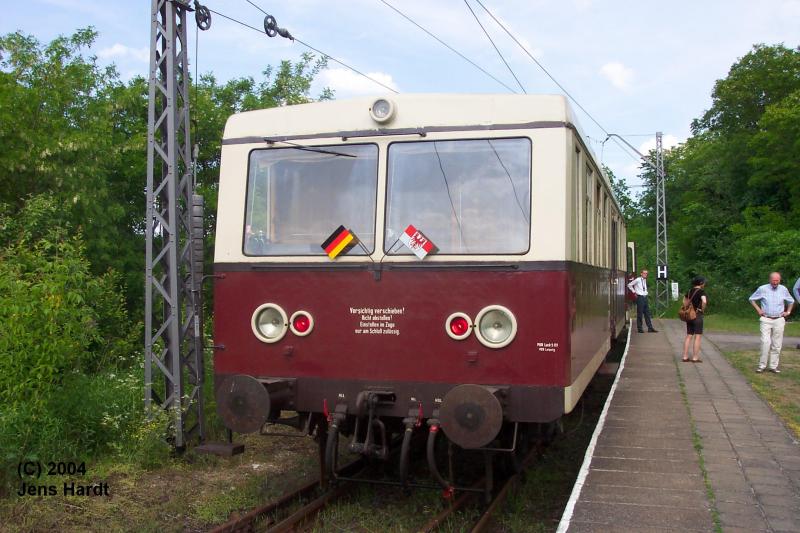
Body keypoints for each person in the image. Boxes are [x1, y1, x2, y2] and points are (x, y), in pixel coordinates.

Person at [749, 272, 795, 373]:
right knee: (765, 342)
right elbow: (751, 299)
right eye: (773, 280)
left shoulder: (783, 289)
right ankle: (762, 365)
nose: (775, 282)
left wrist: (788, 312)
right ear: (770, 280)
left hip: (779, 319)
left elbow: (791, 301)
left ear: (780, 280)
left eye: (777, 280)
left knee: (777, 344)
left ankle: (773, 366)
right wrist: (758, 309)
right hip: (766, 319)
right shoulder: (762, 289)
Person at [681, 276, 707, 363]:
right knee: (698, 336)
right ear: (701, 283)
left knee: (689, 335)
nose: (704, 283)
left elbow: (684, 300)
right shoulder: (701, 292)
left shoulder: (689, 291)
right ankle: (695, 357)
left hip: (689, 316)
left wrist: (686, 307)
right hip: (697, 315)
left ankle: (685, 356)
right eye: (704, 282)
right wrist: (702, 309)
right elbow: (704, 301)